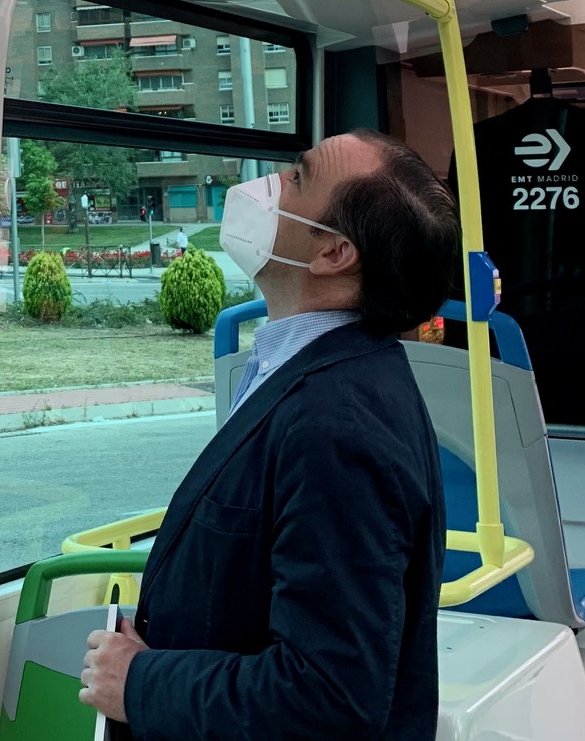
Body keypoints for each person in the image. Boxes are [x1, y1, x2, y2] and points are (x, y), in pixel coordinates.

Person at [81, 130, 456, 740]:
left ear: (334, 253)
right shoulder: (300, 373)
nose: (270, 183)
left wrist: (141, 683)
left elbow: (329, 696)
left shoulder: (339, 426)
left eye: (298, 177)